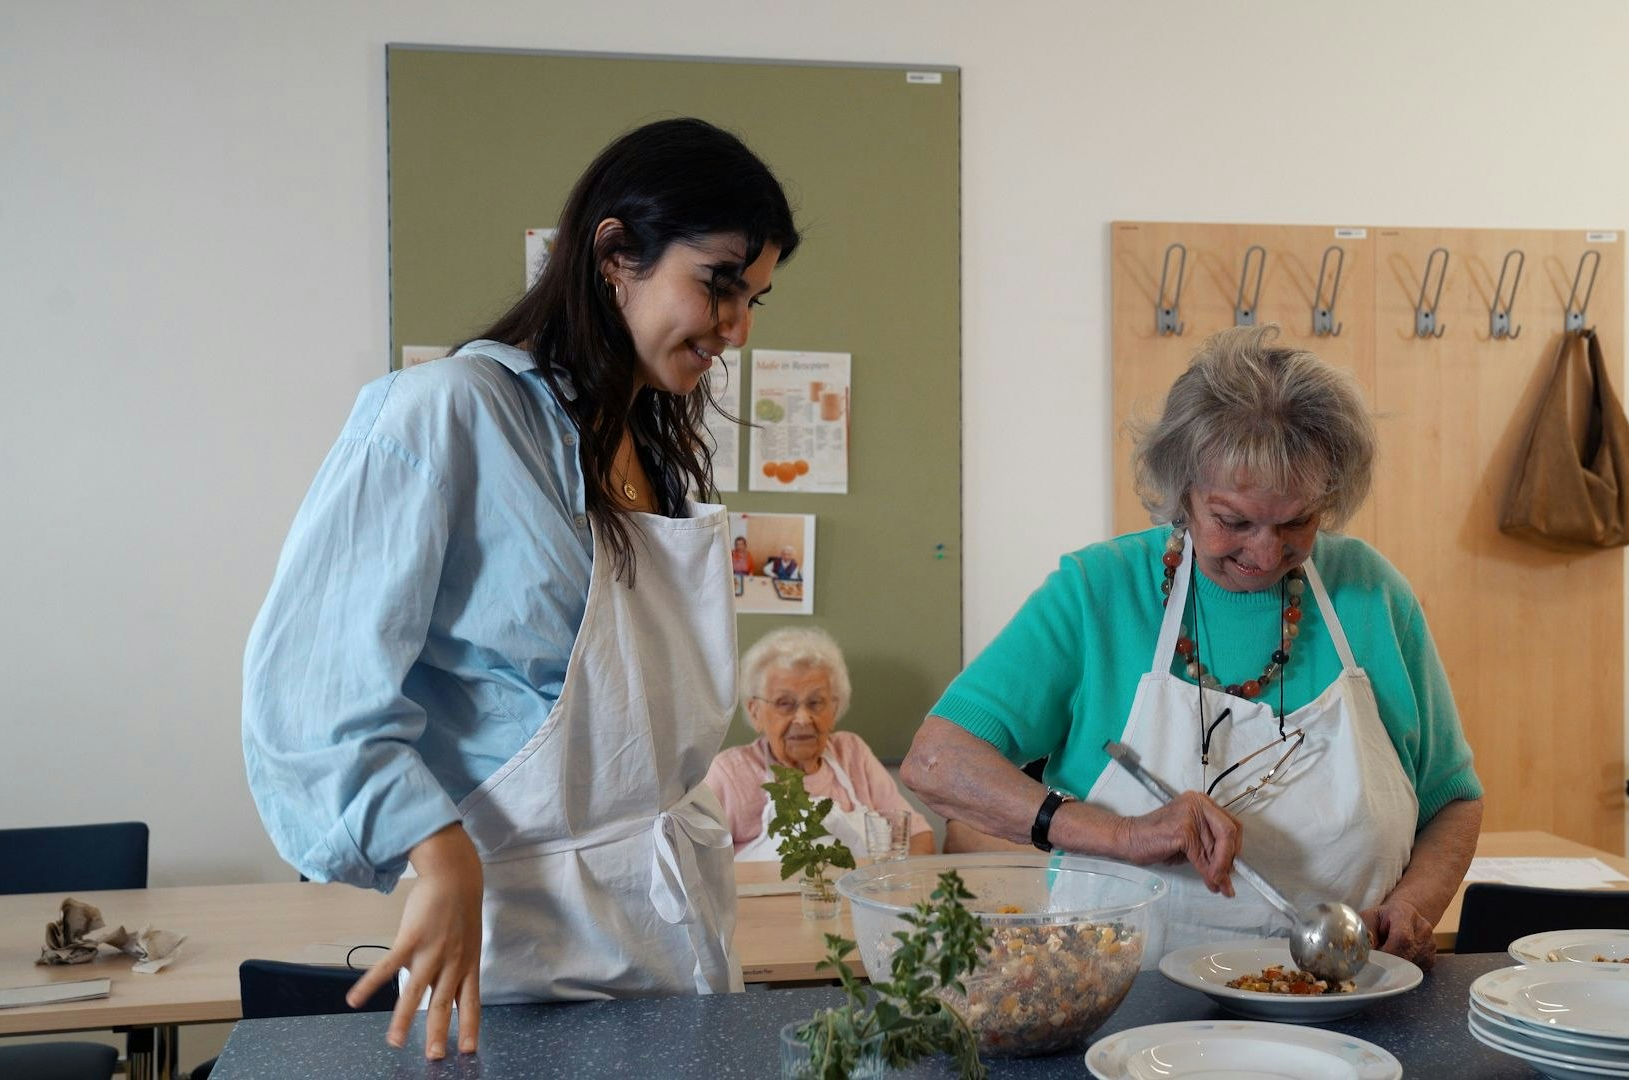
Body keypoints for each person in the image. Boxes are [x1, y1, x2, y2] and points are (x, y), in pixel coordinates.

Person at [242, 117, 800, 1060]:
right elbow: (308, 695)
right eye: (719, 284)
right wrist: (438, 852)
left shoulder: (648, 451)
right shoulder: (446, 413)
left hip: (668, 941)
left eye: (755, 299)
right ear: (615, 254)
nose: (738, 329)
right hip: (515, 957)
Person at [903, 326, 1483, 970]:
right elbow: (936, 762)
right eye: (1233, 520)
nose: (1265, 552)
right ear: (1182, 492)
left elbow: (1452, 799)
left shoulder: (1370, 594)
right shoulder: (1099, 592)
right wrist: (1121, 833)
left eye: (1297, 521)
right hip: (1119, 994)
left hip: (1344, 993)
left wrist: (1414, 906)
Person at [705, 627, 936, 858]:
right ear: (755, 712)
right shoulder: (728, 773)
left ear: (834, 708)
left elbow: (918, 836)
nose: (803, 719)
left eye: (815, 702)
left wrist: (898, 879)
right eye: (785, 703)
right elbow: (697, 864)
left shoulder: (852, 753)